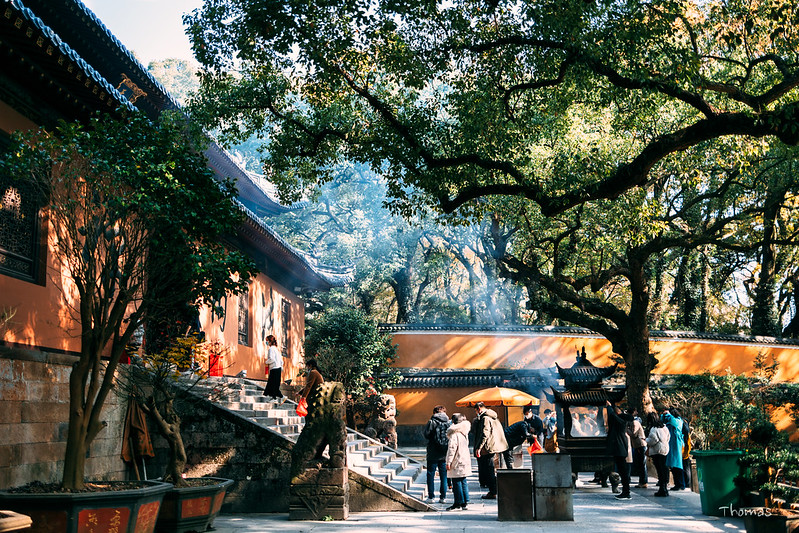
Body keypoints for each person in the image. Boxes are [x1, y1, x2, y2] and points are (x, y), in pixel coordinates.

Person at [473, 401, 509, 499]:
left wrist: (479, 447)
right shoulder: (493, 417)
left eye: (476, 411)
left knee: (489, 469)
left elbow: (485, 434)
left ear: (479, 409)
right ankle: (493, 490)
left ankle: (493, 491)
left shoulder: (485, 418)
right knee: (490, 468)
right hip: (493, 446)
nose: (476, 413)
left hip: (488, 447)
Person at [423, 405, 450, 503]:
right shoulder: (448, 422)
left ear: (434, 412)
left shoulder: (432, 422)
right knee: (444, 476)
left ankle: (431, 497)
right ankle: (443, 497)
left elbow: (426, 435)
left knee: (430, 474)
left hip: (433, 452)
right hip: (444, 453)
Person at [606, 401, 633, 500]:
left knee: (623, 472)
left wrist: (609, 407)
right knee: (623, 472)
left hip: (620, 450)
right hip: (620, 449)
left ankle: (626, 492)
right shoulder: (621, 422)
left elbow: (613, 415)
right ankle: (626, 491)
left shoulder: (621, 422)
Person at [445, 413, 472, 511]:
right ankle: (465, 501)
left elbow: (452, 449)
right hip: (464, 459)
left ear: (453, 422)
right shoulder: (464, 432)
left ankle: (458, 502)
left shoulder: (454, 434)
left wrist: (448, 462)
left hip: (457, 460)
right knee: (463, 481)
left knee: (456, 481)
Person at [645, 411, 671, 497]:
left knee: (660, 470)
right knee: (664, 469)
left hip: (657, 451)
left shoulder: (654, 429)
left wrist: (646, 440)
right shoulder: (664, 427)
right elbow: (668, 437)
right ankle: (665, 488)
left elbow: (653, 440)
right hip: (665, 449)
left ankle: (662, 489)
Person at [502, 405, 536, 469]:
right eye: (532, 430)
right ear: (531, 427)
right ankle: (510, 470)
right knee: (508, 455)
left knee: (508, 455)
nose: (532, 431)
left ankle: (510, 469)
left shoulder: (524, 427)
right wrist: (532, 436)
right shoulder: (524, 425)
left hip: (509, 440)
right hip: (506, 439)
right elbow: (526, 434)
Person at [662, 407, 685, 490]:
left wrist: (668, 414)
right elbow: (662, 421)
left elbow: (673, 422)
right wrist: (664, 415)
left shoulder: (678, 421)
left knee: (677, 465)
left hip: (677, 445)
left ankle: (681, 484)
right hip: (671, 445)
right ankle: (677, 484)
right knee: (673, 466)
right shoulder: (669, 423)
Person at [626, 408, 648, 488]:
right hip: (637, 445)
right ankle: (642, 481)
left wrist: (626, 429)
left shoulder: (635, 422)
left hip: (640, 445)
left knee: (642, 464)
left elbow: (634, 434)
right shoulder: (633, 422)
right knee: (640, 464)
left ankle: (644, 481)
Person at [263, 334, 284, 402]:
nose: (266, 342)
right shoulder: (276, 349)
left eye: (267, 341)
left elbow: (271, 359)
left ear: (269, 341)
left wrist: (266, 362)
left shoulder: (271, 349)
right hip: (278, 368)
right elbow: (281, 361)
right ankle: (279, 397)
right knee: (274, 384)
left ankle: (275, 398)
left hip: (274, 368)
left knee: (272, 384)